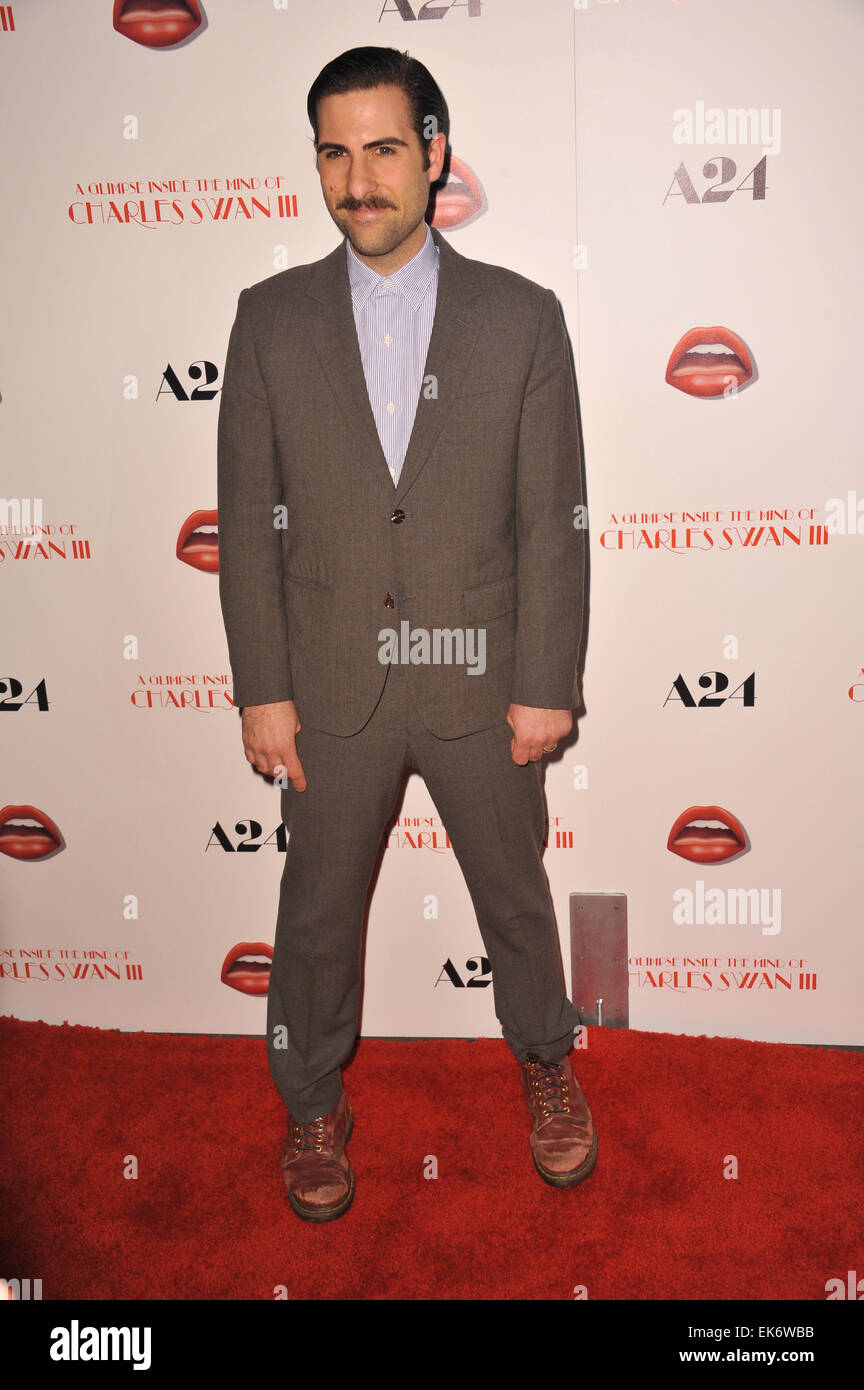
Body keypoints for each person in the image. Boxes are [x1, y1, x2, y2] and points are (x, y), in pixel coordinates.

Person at [217, 45, 595, 1223]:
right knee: (314, 914)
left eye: (384, 148)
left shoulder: (521, 319)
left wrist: (546, 680)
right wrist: (260, 686)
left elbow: (553, 518)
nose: (358, 178)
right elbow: (243, 523)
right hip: (326, 682)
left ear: (434, 154)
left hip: (485, 683)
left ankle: (546, 1059)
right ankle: (311, 1099)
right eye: (334, 151)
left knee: (514, 897)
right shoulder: (268, 320)